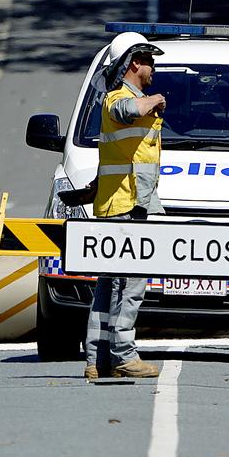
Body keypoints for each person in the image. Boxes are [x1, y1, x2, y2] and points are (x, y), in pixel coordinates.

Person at [83, 33, 167, 381]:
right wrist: (155, 100)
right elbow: (126, 110)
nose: (153, 68)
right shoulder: (119, 98)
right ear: (135, 63)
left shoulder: (122, 99)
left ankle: (97, 359)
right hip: (128, 206)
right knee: (130, 288)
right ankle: (124, 356)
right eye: (149, 61)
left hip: (121, 203)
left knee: (107, 287)